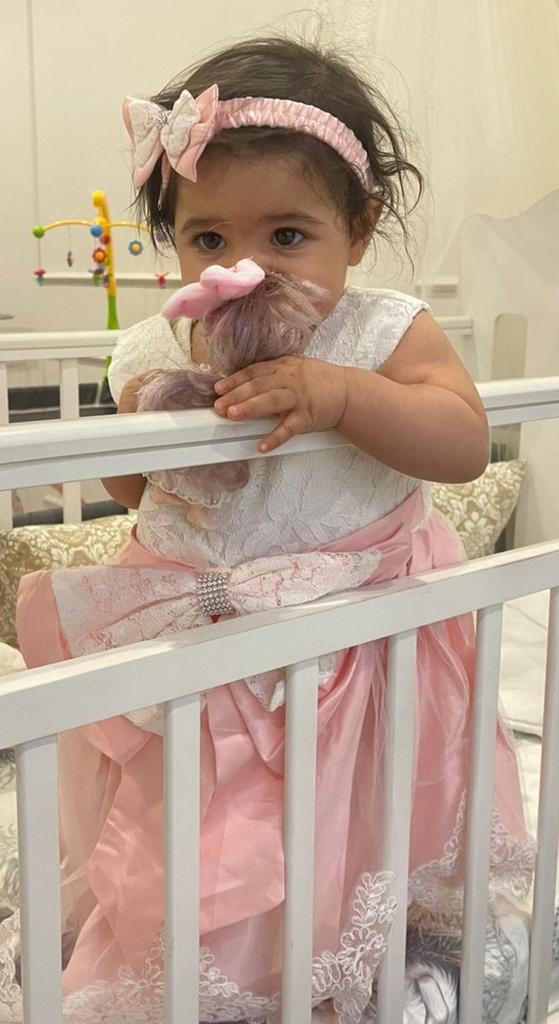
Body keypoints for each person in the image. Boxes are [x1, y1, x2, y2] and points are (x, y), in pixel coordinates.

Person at [8, 36, 533, 1024]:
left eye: (287, 235)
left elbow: (463, 441)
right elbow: (129, 489)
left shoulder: (381, 329)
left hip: (352, 650)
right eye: (208, 238)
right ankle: (202, 970)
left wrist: (344, 395)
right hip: (195, 647)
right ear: (173, 241)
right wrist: (155, 416)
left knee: (343, 824)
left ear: (357, 228)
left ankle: (352, 956)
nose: (243, 268)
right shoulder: (157, 340)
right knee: (187, 825)